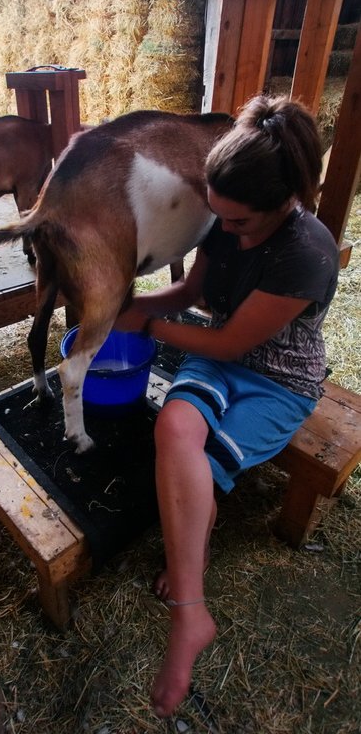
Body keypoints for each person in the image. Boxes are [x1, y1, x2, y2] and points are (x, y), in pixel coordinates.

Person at [115, 94, 340, 718]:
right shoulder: (227, 213)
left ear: (283, 202)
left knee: (204, 461)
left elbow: (235, 338)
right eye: (221, 217)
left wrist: (148, 329)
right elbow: (192, 290)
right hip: (219, 356)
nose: (226, 229)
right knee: (175, 424)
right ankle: (194, 584)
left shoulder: (307, 251)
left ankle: (189, 608)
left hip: (278, 378)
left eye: (239, 223)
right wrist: (138, 303)